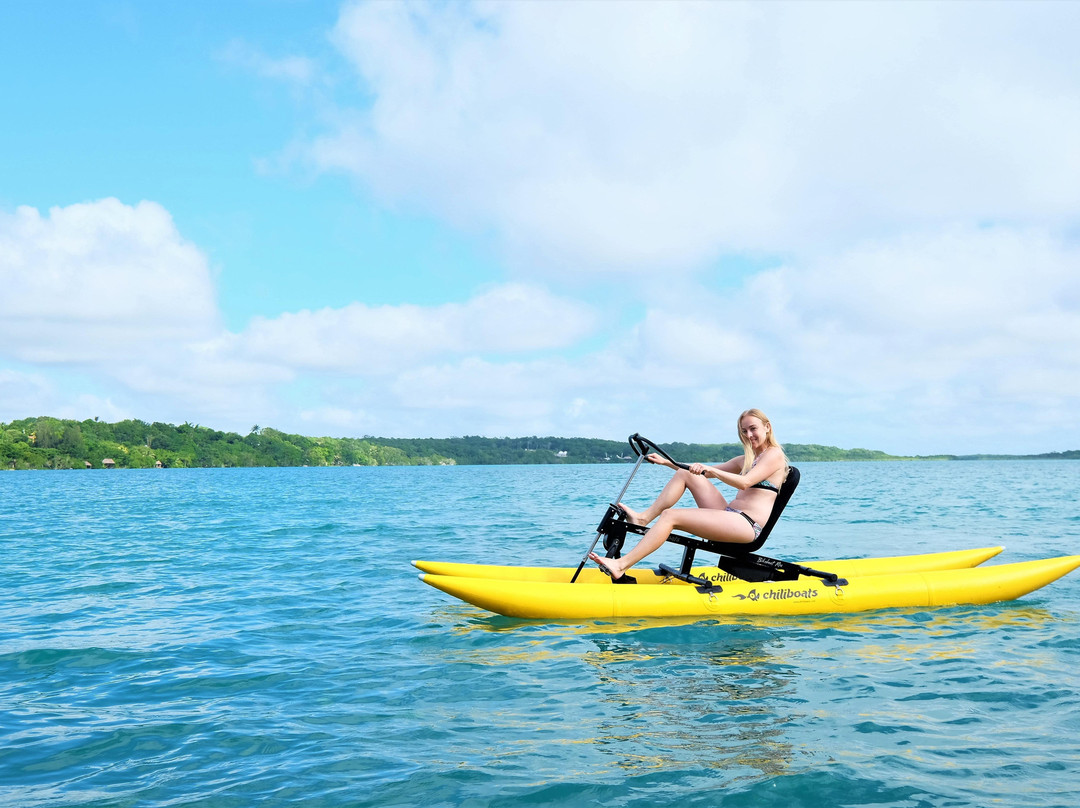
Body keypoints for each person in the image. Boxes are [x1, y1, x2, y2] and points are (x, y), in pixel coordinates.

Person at [589, 409, 789, 581]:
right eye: (744, 431)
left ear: (767, 427)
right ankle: (643, 518)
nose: (748, 434)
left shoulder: (774, 455)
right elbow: (702, 472)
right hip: (730, 514)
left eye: (753, 428)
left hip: (747, 525)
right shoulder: (746, 459)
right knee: (685, 473)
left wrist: (713, 471)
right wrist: (667, 462)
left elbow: (745, 482)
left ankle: (621, 565)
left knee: (671, 516)